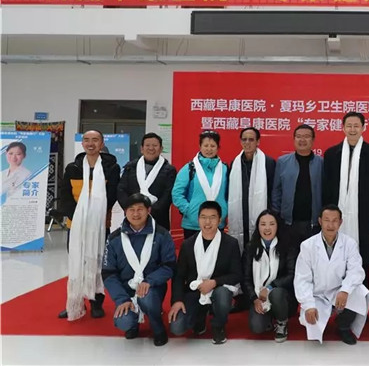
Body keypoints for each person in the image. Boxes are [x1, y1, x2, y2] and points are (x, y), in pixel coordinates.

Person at [58, 130, 121, 320]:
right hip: (76, 224)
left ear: (102, 144)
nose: (90, 143)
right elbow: (65, 195)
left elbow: (112, 195)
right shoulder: (73, 168)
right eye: (86, 140)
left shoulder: (111, 168)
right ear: (83, 144)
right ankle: (76, 302)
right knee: (77, 261)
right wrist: (77, 215)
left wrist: (94, 214)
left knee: (98, 262)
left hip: (100, 224)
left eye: (95, 140)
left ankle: (96, 303)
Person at [102, 193, 176, 346]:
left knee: (146, 298)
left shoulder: (161, 234)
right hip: (126, 290)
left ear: (148, 210)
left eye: (140, 209)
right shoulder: (114, 238)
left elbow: (169, 266)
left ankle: (157, 327)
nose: (136, 214)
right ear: (125, 212)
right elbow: (108, 273)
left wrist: (150, 281)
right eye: (131, 209)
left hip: (152, 288)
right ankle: (132, 325)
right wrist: (121, 299)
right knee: (123, 321)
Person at [322, 112, 369, 288]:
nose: (352, 129)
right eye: (349, 126)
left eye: (356, 126)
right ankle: (336, 298)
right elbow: (327, 187)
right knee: (335, 258)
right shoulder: (332, 154)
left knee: (362, 258)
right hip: (337, 216)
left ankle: (361, 299)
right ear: (343, 128)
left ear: (363, 128)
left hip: (364, 215)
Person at [294, 204, 369, 345]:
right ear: (320, 221)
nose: (330, 225)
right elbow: (302, 279)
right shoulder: (307, 246)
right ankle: (316, 315)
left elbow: (356, 271)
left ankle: (343, 326)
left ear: (340, 222)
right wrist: (308, 304)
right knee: (313, 327)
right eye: (327, 220)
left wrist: (345, 290)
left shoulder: (350, 243)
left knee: (360, 292)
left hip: (339, 291)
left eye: (335, 220)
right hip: (317, 294)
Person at [168, 201, 242, 345]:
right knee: (177, 327)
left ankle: (218, 326)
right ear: (198, 219)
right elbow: (179, 276)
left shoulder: (230, 243)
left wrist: (214, 282)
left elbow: (236, 274)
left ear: (220, 220)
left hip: (219, 288)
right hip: (195, 290)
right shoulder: (188, 244)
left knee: (222, 295)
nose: (207, 222)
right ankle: (200, 316)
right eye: (203, 217)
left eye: (212, 217)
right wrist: (177, 300)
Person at [242, 210, 297, 342]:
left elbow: (292, 275)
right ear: (258, 227)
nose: (267, 228)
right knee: (257, 327)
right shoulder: (251, 248)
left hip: (283, 297)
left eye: (271, 224)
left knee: (276, 294)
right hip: (259, 297)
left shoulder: (287, 246)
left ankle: (282, 322)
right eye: (263, 224)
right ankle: (269, 318)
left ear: (277, 226)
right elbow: (245, 279)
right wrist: (254, 299)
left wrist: (270, 287)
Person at [272, 124, 323, 246]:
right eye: (299, 136)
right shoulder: (282, 162)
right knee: (289, 256)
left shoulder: (321, 163)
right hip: (288, 223)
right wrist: (277, 215)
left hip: (313, 223)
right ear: (294, 139)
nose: (302, 140)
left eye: (306, 136)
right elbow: (276, 191)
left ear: (313, 140)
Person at [172, 130, 228, 239]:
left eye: (212, 146)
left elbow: (231, 194)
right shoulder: (190, 168)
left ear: (218, 147)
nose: (209, 149)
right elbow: (177, 193)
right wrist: (189, 210)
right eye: (206, 145)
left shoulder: (225, 169)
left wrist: (225, 210)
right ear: (200, 146)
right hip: (193, 225)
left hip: (218, 223)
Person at [228, 127, 276, 252]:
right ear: (240, 142)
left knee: (258, 247)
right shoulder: (235, 163)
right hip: (240, 212)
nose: (247, 143)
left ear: (258, 142)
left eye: (251, 139)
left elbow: (272, 191)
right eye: (244, 139)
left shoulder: (268, 162)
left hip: (261, 212)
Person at [117, 133, 177, 230]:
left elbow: (168, 194)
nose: (151, 148)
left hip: (159, 219)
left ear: (161, 149)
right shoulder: (130, 167)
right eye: (147, 145)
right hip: (133, 217)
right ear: (142, 148)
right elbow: (121, 189)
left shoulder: (169, 170)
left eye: (155, 145)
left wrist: (149, 211)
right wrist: (130, 208)